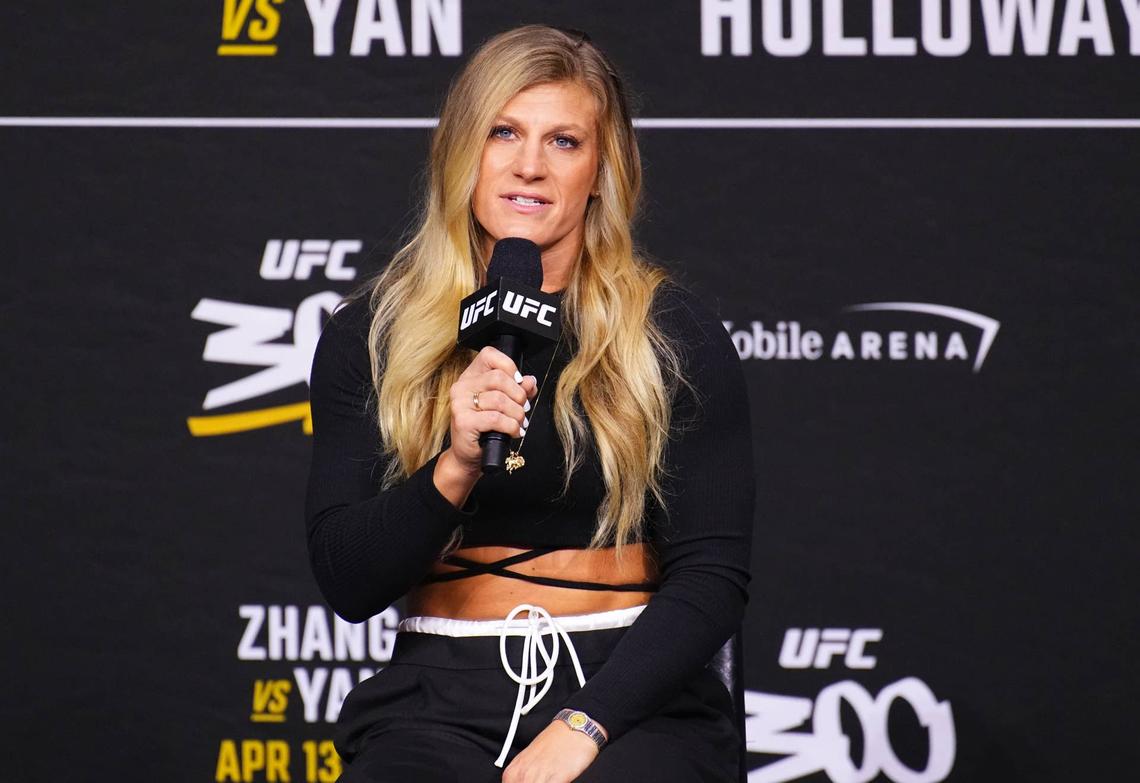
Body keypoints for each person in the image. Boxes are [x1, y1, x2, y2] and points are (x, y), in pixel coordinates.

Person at [305, 24, 755, 783]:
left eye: (564, 142)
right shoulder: (371, 335)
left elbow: (712, 577)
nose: (529, 166)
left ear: (603, 170)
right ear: (460, 152)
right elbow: (349, 581)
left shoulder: (672, 333)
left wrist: (585, 723)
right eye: (504, 132)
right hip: (436, 696)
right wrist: (451, 465)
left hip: (628, 692)